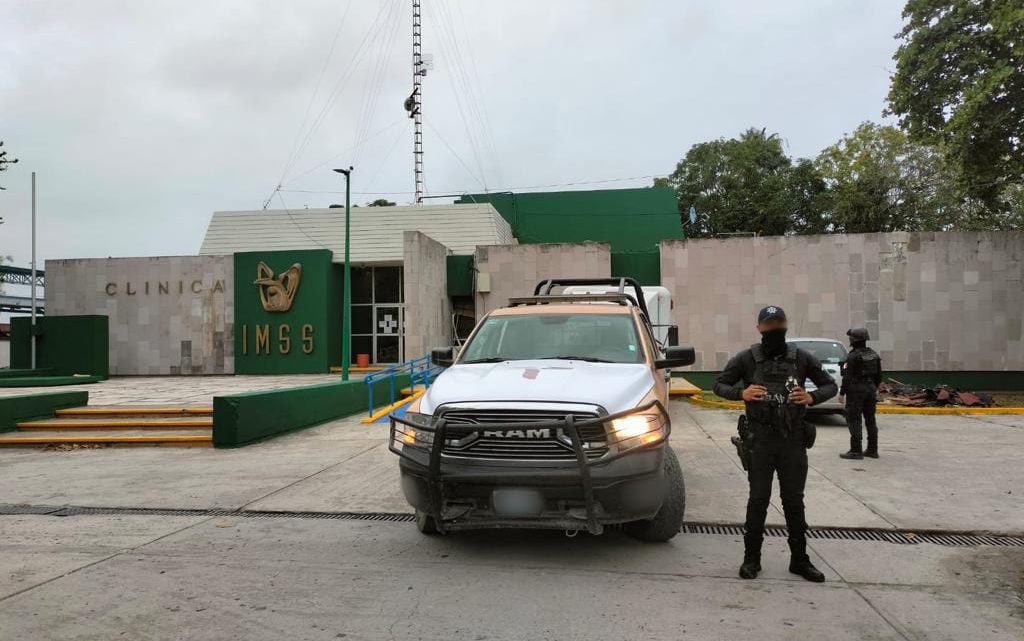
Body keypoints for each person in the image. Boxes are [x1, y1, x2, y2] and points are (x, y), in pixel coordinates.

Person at [714, 305, 838, 582]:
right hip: (760, 442)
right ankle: (751, 559)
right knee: (758, 500)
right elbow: (719, 385)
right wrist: (741, 393)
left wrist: (812, 398)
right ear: (759, 328)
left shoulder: (802, 358)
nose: (774, 327)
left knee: (794, 501)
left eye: (779, 322)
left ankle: (800, 560)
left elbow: (830, 385)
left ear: (786, 325)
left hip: (792, 440)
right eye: (769, 323)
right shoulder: (746, 359)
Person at [839, 327, 882, 460]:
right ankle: (872, 449)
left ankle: (856, 450)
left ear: (853, 340)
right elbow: (879, 375)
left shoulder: (852, 356)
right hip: (870, 389)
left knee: (854, 419)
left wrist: (842, 393)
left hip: (856, 390)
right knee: (870, 419)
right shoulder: (874, 354)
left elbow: (847, 377)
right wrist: (873, 388)